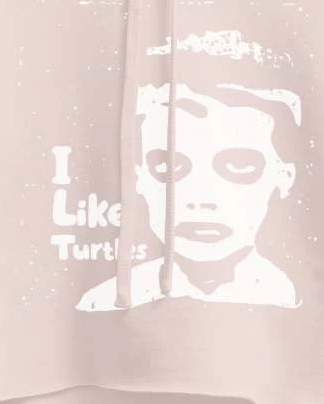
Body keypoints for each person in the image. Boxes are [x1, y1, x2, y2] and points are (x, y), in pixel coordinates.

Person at [76, 31, 302, 311]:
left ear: (284, 176)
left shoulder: (288, 297)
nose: (201, 198)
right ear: (138, 176)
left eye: (239, 166)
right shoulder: (100, 302)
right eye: (168, 166)